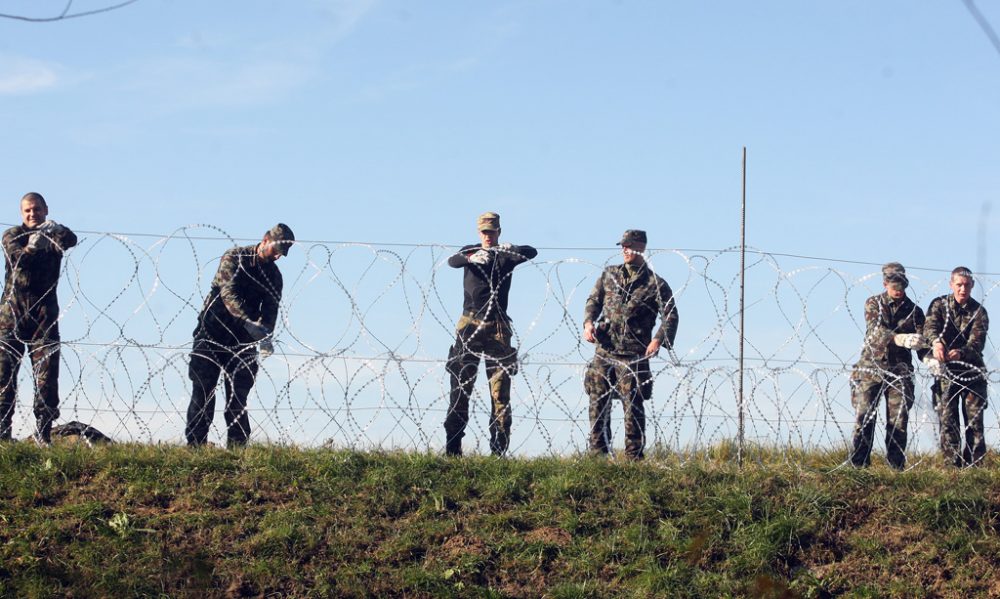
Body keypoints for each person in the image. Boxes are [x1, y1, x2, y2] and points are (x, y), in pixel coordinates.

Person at [185, 223, 294, 448]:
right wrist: (248, 322)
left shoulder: (274, 276)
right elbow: (228, 293)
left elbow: (271, 308)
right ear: (265, 240)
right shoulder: (235, 258)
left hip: (243, 341)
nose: (277, 257)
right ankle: (195, 445)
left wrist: (265, 335)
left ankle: (237, 449)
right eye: (275, 250)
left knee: (238, 396)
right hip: (212, 331)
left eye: (281, 254)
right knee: (203, 391)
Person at [444, 212, 537, 456]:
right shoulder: (470, 251)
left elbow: (532, 251)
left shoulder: (506, 255)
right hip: (470, 322)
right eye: (484, 232)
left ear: (499, 232)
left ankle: (498, 451)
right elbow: (452, 261)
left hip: (498, 325)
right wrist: (471, 256)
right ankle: (453, 450)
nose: (488, 236)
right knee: (461, 386)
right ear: (479, 233)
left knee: (500, 391)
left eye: (492, 232)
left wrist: (513, 249)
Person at [582, 229, 678, 460]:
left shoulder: (655, 283)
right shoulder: (609, 275)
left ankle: (634, 456)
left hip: (634, 351)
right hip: (605, 348)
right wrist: (588, 323)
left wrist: (658, 339)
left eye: (629, 245)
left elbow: (671, 314)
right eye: (623, 246)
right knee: (598, 401)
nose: (625, 250)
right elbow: (594, 301)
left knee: (632, 406)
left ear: (641, 247)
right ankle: (598, 454)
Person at [0, 193, 77, 445]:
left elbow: (71, 239)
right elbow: (18, 259)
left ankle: (44, 434)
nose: (32, 214)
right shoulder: (12, 235)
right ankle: (3, 435)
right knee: (4, 379)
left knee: (46, 380)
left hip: (44, 319)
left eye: (36, 210)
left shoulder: (53, 234)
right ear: (22, 214)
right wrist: (34, 245)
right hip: (10, 318)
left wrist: (57, 229)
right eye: (27, 211)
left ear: (45, 210)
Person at [847, 262, 929, 470]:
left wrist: (929, 357)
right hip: (870, 369)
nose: (898, 290)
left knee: (898, 422)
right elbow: (875, 331)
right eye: (894, 286)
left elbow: (922, 341)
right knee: (865, 417)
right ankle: (859, 466)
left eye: (901, 286)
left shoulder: (915, 311)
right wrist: (899, 339)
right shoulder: (873, 303)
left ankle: (895, 469)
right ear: (885, 284)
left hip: (899, 373)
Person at [924, 266, 989, 467]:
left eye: (966, 285)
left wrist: (961, 352)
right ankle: (951, 467)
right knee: (948, 421)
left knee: (974, 423)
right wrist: (936, 343)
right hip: (946, 372)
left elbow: (977, 342)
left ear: (972, 286)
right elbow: (930, 327)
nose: (963, 289)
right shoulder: (939, 305)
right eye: (959, 285)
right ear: (951, 284)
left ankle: (975, 468)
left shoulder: (978, 311)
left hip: (971, 372)